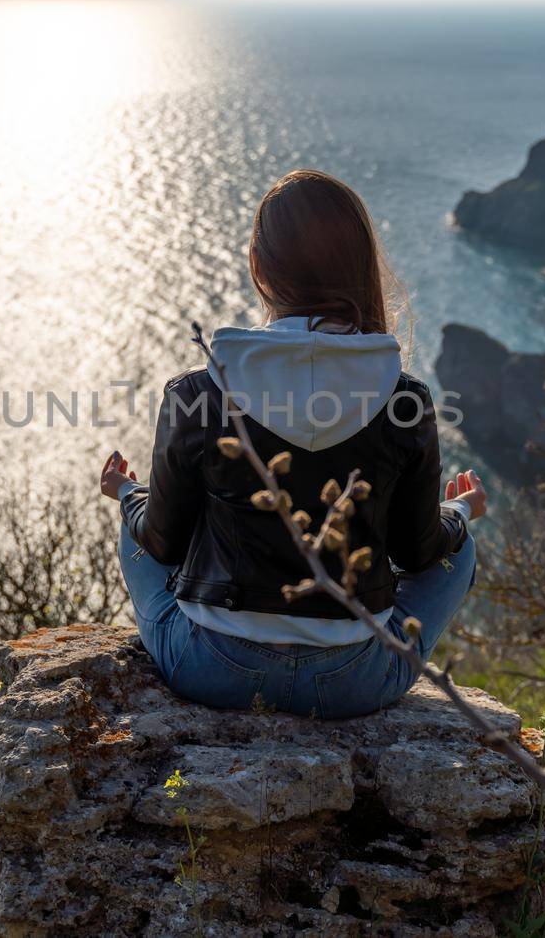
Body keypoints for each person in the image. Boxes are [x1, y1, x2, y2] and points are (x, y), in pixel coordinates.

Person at [99, 169, 486, 720]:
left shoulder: (199, 392)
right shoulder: (404, 401)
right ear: (359, 267)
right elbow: (418, 553)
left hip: (210, 669)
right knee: (461, 545)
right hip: (354, 680)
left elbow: (161, 544)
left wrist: (128, 493)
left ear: (258, 267)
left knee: (135, 529)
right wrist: (461, 510)